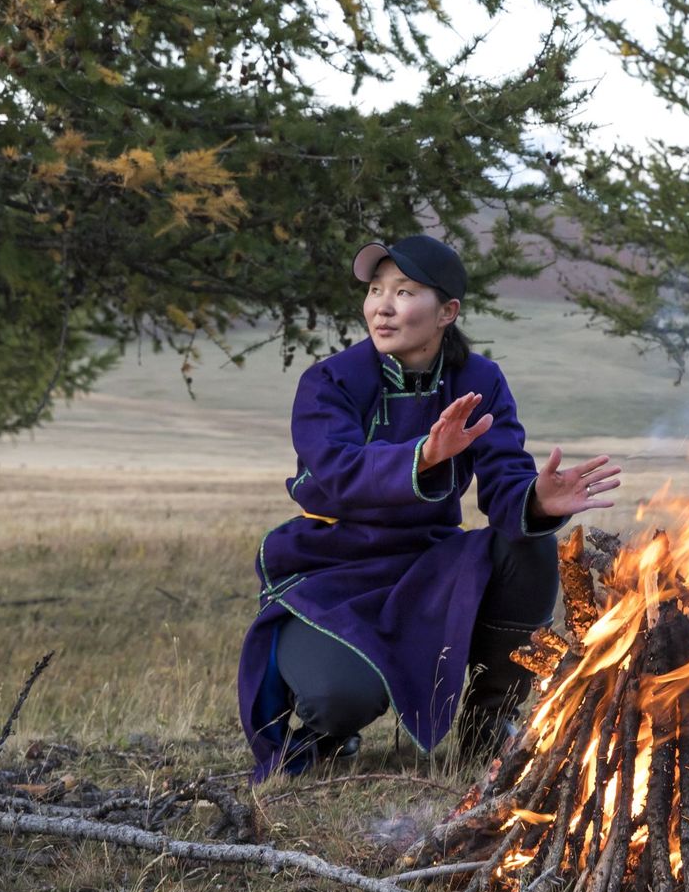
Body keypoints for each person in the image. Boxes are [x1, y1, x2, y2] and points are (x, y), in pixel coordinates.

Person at [236, 234, 621, 780]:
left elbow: (505, 483)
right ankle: (327, 737)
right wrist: (423, 456)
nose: (382, 306)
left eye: (404, 291)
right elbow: (339, 473)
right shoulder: (329, 381)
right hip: (332, 566)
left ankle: (488, 727)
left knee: (531, 543)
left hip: (426, 561)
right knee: (340, 699)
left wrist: (536, 499)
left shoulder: (479, 380)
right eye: (375, 290)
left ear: (447, 312)